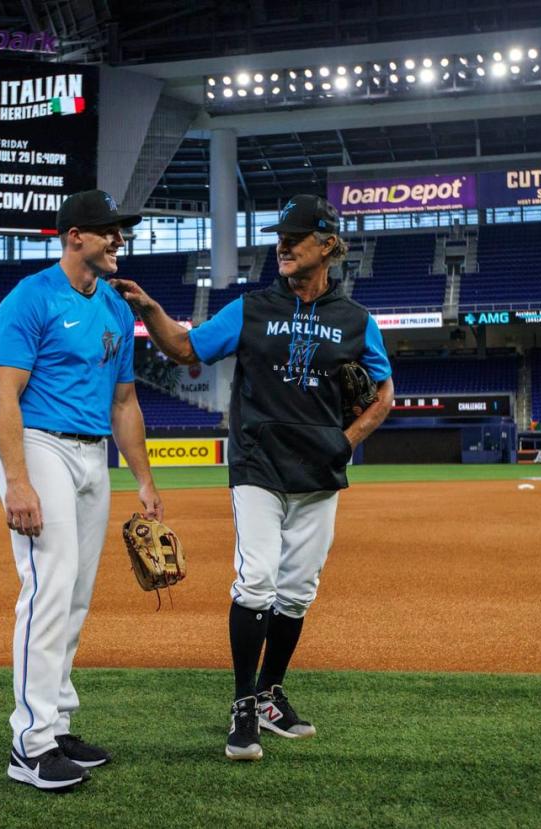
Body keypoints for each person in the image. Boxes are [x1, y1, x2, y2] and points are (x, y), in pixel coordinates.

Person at [111, 194, 394, 761]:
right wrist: (148, 308)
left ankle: (271, 694)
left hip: (319, 471)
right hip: (258, 466)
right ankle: (243, 706)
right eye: (279, 237)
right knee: (257, 580)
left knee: (297, 592)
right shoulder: (251, 308)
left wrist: (346, 441)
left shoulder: (357, 321)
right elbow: (184, 346)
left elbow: (384, 394)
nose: (282, 246)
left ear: (329, 246)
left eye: (295, 237)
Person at [0, 189, 163, 791]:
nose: (119, 239)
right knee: (49, 585)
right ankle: (29, 742)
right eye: (109, 231)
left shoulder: (116, 309)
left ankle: (57, 722)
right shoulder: (31, 297)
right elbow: (3, 393)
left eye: (120, 231)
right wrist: (17, 480)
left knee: (79, 592)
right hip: (41, 445)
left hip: (93, 454)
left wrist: (143, 480)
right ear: (75, 236)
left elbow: (125, 401)